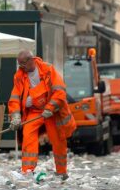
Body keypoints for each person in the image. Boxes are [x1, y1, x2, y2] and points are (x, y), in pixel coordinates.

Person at [8, 50, 76, 178]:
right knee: (28, 134)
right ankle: (28, 171)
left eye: (23, 64)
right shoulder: (19, 76)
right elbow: (15, 98)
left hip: (52, 112)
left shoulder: (48, 70)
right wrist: (15, 117)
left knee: (58, 140)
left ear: (31, 60)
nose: (21, 67)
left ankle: (62, 172)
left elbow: (60, 91)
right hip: (35, 111)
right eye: (20, 65)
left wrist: (50, 108)